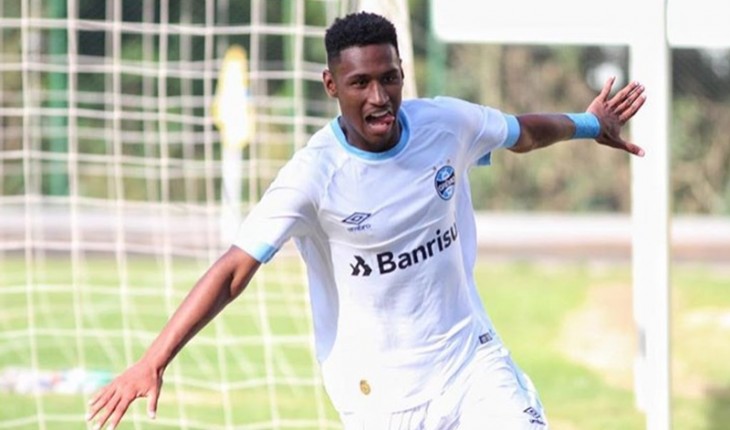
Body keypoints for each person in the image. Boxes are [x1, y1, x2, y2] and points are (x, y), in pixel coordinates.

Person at [86, 11, 646, 430]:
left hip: (471, 362)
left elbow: (520, 133)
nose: (380, 97)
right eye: (360, 83)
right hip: (377, 395)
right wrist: (153, 360)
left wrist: (588, 124)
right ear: (332, 85)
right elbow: (235, 269)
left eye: (390, 78)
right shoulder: (313, 176)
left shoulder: (445, 124)